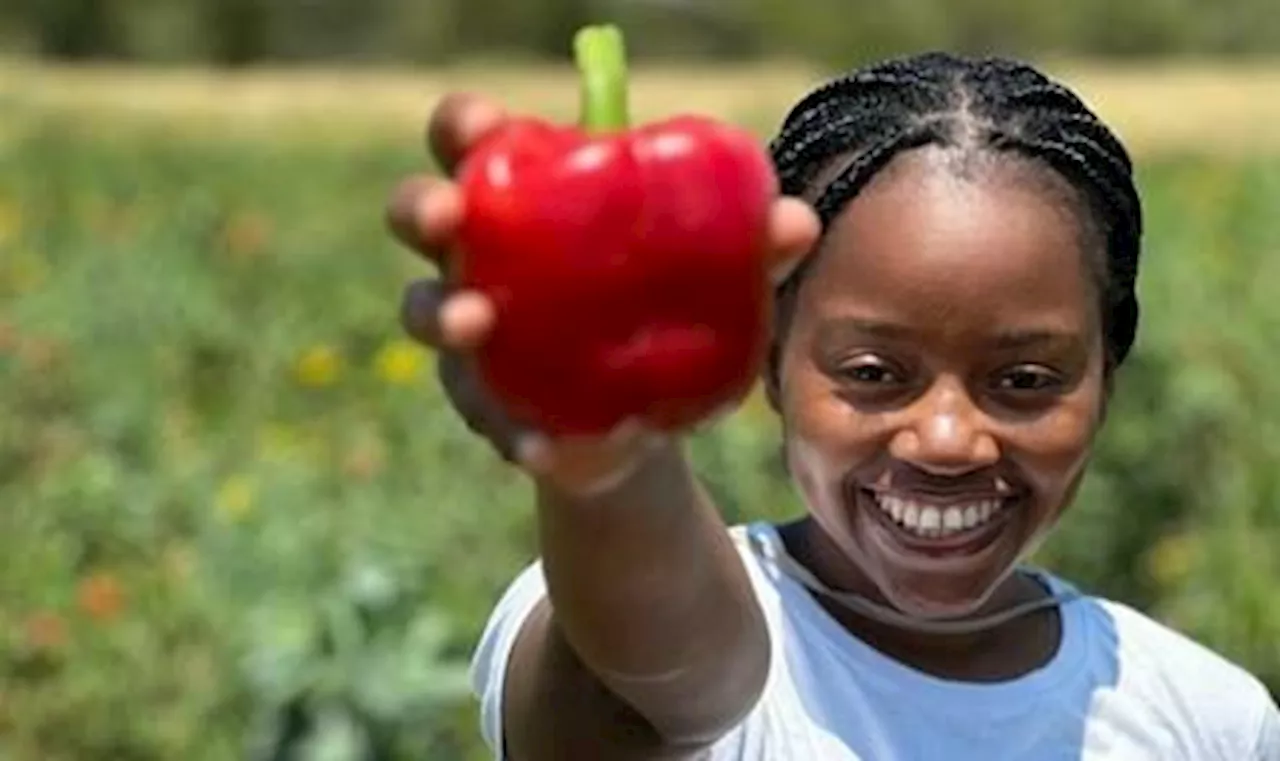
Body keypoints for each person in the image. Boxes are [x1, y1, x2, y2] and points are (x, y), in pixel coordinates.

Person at [386, 52, 1280, 760]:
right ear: (771, 361)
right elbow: (668, 687)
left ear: (1107, 378)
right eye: (871, 371)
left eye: (1025, 380)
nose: (946, 437)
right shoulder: (618, 598)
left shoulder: (1206, 718)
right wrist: (610, 468)